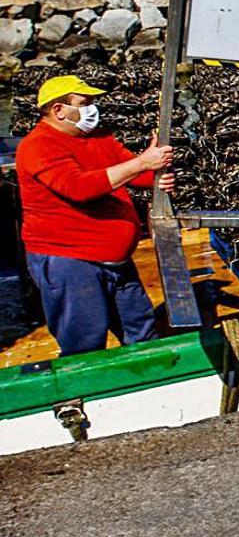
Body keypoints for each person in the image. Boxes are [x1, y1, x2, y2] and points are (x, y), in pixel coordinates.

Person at [15, 75, 176, 357]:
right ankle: (84, 396)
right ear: (58, 110)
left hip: (116, 259)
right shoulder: (37, 146)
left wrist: (156, 175)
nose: (92, 109)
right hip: (70, 260)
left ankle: (148, 383)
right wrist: (141, 163)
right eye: (84, 103)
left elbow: (134, 172)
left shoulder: (99, 138)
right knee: (84, 342)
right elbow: (78, 187)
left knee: (141, 329)